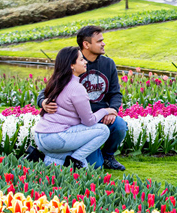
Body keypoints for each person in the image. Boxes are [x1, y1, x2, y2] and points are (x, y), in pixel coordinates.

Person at [33, 25, 128, 170]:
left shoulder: (108, 64)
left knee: (119, 124)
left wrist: (112, 111)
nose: (103, 43)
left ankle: (108, 156)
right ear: (86, 44)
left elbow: (115, 93)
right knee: (95, 165)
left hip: (99, 117)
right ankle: (68, 157)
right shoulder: (72, 61)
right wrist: (43, 101)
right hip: (77, 123)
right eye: (99, 41)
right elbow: (51, 87)